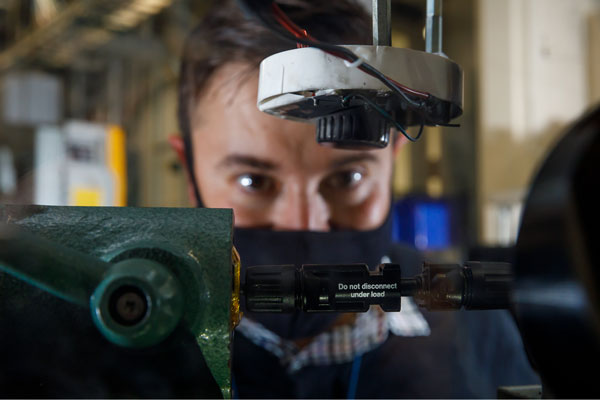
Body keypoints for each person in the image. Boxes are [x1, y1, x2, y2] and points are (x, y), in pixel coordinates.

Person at [172, 0, 540, 397]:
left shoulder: (475, 329)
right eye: (252, 181)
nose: (306, 222)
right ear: (188, 168)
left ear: (394, 155)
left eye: (348, 177)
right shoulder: (128, 339)